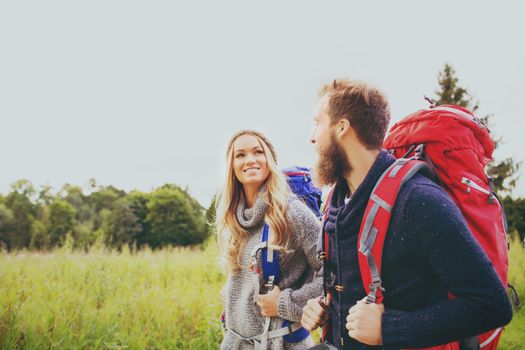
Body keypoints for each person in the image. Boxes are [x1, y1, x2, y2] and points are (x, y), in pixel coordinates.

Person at [300, 80, 513, 349]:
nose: (312, 137)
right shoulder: (337, 201)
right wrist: (323, 307)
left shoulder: (418, 200)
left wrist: (389, 328)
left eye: (317, 123)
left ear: (341, 127)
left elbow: (492, 305)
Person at [217, 129, 323, 349]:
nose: (251, 160)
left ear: (270, 160)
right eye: (240, 155)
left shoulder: (292, 214)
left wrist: (285, 303)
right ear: (231, 166)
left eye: (258, 152)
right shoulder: (234, 220)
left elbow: (335, 273)